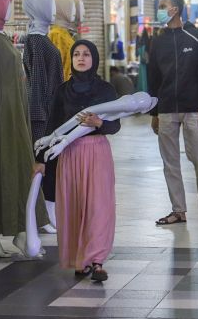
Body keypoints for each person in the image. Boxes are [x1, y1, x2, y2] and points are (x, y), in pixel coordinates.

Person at [33, 40, 120, 282]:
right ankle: (80, 260)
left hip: (97, 153)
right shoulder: (62, 91)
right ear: (71, 59)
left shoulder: (106, 89)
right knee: (72, 206)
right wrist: (41, 160)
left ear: (94, 59)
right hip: (69, 155)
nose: (81, 58)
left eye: (86, 54)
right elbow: (53, 126)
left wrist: (100, 124)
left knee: (98, 206)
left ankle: (97, 260)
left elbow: (116, 124)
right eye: (77, 54)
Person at [147, 0, 198, 225]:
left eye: (162, 6)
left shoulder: (196, 36)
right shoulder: (157, 40)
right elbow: (153, 78)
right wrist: (154, 111)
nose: (159, 10)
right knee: (170, 162)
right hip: (166, 108)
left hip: (192, 108)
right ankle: (178, 210)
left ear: (175, 9)